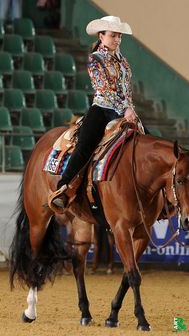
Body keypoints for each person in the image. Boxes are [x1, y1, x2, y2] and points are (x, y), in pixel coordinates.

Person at [52, 15, 137, 208]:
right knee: (85, 145)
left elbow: (127, 89)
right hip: (102, 110)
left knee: (146, 140)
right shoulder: (95, 59)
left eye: (119, 36)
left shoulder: (123, 61)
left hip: (125, 111)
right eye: (113, 35)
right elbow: (105, 88)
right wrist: (125, 109)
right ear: (101, 35)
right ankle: (63, 187)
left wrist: (130, 108)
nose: (117, 39)